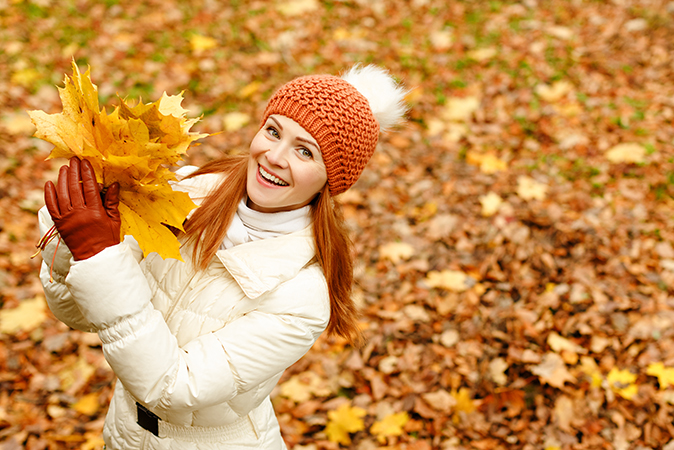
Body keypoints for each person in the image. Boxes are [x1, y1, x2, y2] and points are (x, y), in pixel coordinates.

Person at [37, 64, 407, 449]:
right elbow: (81, 315)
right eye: (273, 131)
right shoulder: (188, 194)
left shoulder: (303, 297)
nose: (275, 156)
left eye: (304, 151)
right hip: (125, 432)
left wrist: (98, 253)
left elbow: (171, 386)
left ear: (332, 180)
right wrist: (70, 244)